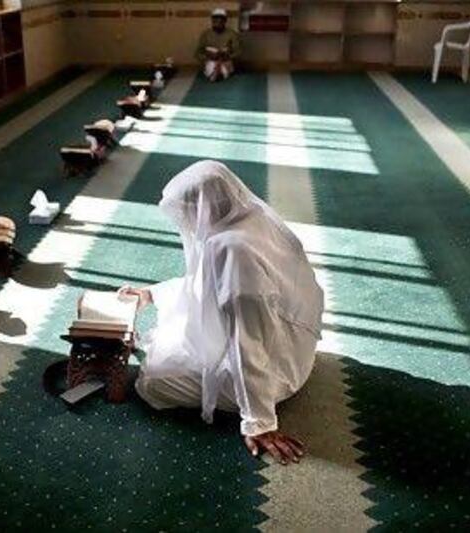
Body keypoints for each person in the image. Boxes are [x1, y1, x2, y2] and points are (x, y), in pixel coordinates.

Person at [120, 161, 324, 465]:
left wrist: (259, 422)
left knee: (153, 381)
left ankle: (254, 404)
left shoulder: (231, 249)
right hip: (295, 345)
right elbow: (209, 286)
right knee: (178, 335)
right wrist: (152, 293)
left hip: (277, 373)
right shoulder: (251, 216)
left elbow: (247, 340)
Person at [196, 8, 241, 82]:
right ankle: (214, 73)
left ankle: (219, 73)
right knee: (212, 70)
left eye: (221, 21)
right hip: (210, 61)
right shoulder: (206, 34)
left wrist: (228, 56)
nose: (218, 23)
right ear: (212, 21)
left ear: (225, 21)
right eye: (215, 21)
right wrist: (207, 57)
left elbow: (238, 52)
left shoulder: (232, 34)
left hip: (226, 61)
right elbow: (198, 53)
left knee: (223, 73)